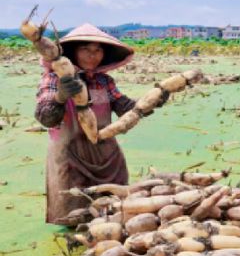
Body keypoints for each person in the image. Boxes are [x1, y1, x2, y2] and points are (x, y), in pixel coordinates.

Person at [35, 23, 165, 224]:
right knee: (75, 216)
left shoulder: (104, 81)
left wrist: (152, 100)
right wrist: (61, 96)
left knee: (114, 211)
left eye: (98, 50)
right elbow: (46, 117)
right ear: (72, 52)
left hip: (106, 154)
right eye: (85, 49)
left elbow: (125, 108)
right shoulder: (54, 78)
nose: (92, 55)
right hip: (71, 155)